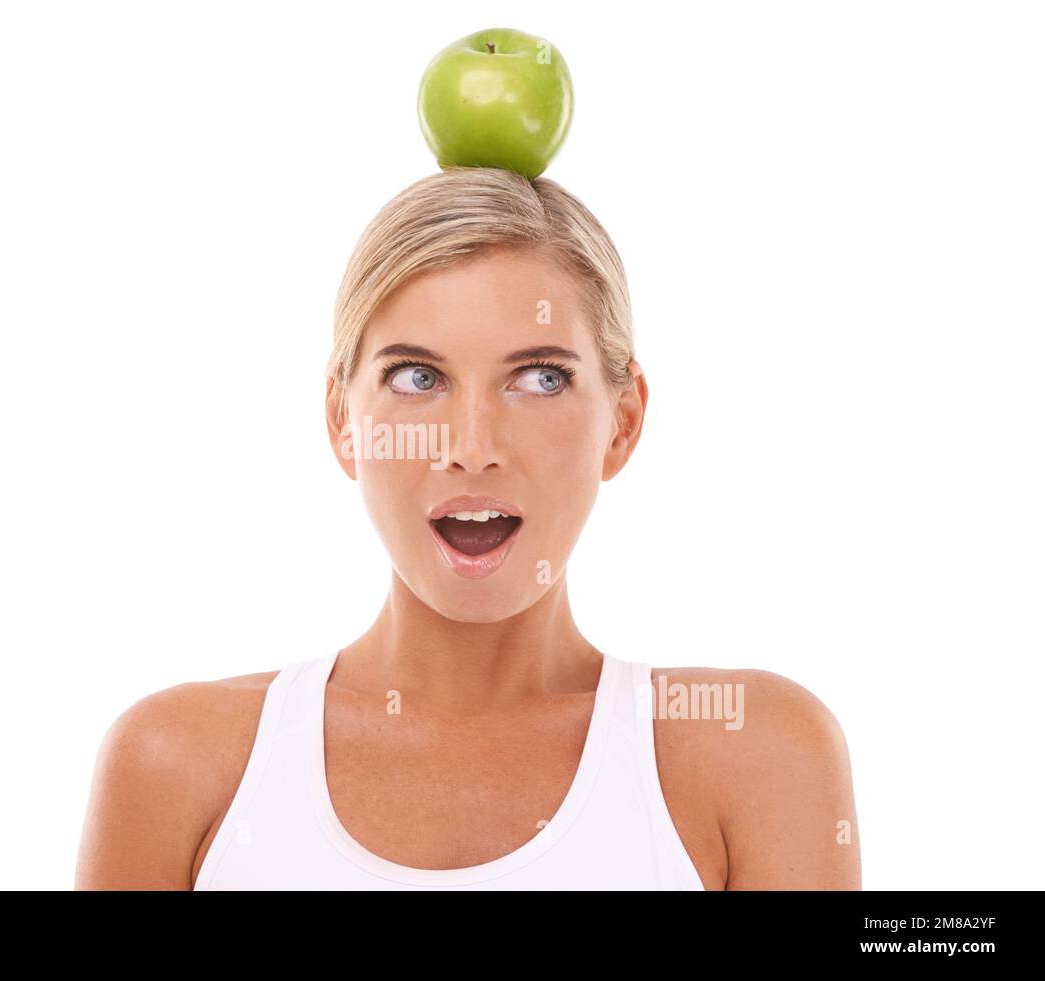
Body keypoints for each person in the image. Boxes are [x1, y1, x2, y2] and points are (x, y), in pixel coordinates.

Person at [75, 167, 861, 890]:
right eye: (418, 377)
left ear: (623, 423)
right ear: (343, 422)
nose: (472, 448)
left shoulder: (758, 757)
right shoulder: (174, 766)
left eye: (540, 378)